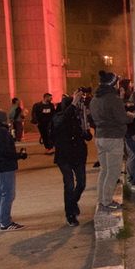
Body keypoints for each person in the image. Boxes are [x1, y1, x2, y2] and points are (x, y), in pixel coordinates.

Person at [89, 71, 135, 212]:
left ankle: (101, 199)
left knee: (104, 170)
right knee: (114, 171)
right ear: (113, 83)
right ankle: (107, 201)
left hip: (100, 137)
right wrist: (131, 116)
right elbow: (122, 118)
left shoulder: (95, 99)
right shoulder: (113, 98)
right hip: (113, 137)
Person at [0, 110, 28, 231]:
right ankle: (6, 222)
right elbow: (3, 152)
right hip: (3, 167)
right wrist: (19, 156)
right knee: (7, 195)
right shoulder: (1, 132)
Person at [52, 91, 93, 226]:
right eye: (74, 106)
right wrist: (74, 103)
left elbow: (87, 137)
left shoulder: (78, 119)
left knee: (81, 183)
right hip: (64, 156)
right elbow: (63, 119)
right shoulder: (58, 118)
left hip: (79, 155)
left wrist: (86, 130)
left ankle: (72, 203)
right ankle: (70, 214)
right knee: (69, 185)